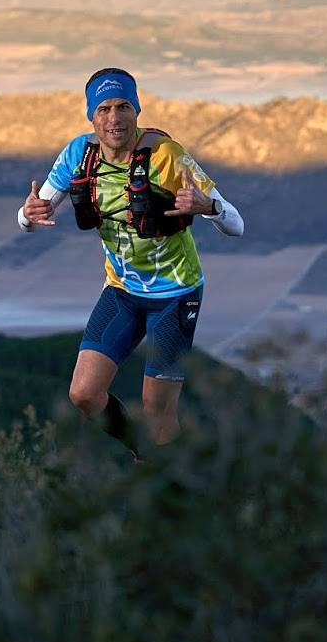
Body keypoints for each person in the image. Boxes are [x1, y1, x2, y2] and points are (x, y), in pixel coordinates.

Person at [18, 67, 244, 458]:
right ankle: (142, 453)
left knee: (157, 410)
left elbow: (236, 225)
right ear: (91, 116)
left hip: (175, 294)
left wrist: (209, 206)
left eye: (124, 106)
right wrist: (27, 216)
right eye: (104, 108)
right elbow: (31, 215)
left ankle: (168, 490)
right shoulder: (78, 155)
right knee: (84, 394)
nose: (114, 118)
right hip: (122, 290)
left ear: (137, 111)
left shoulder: (166, 157)